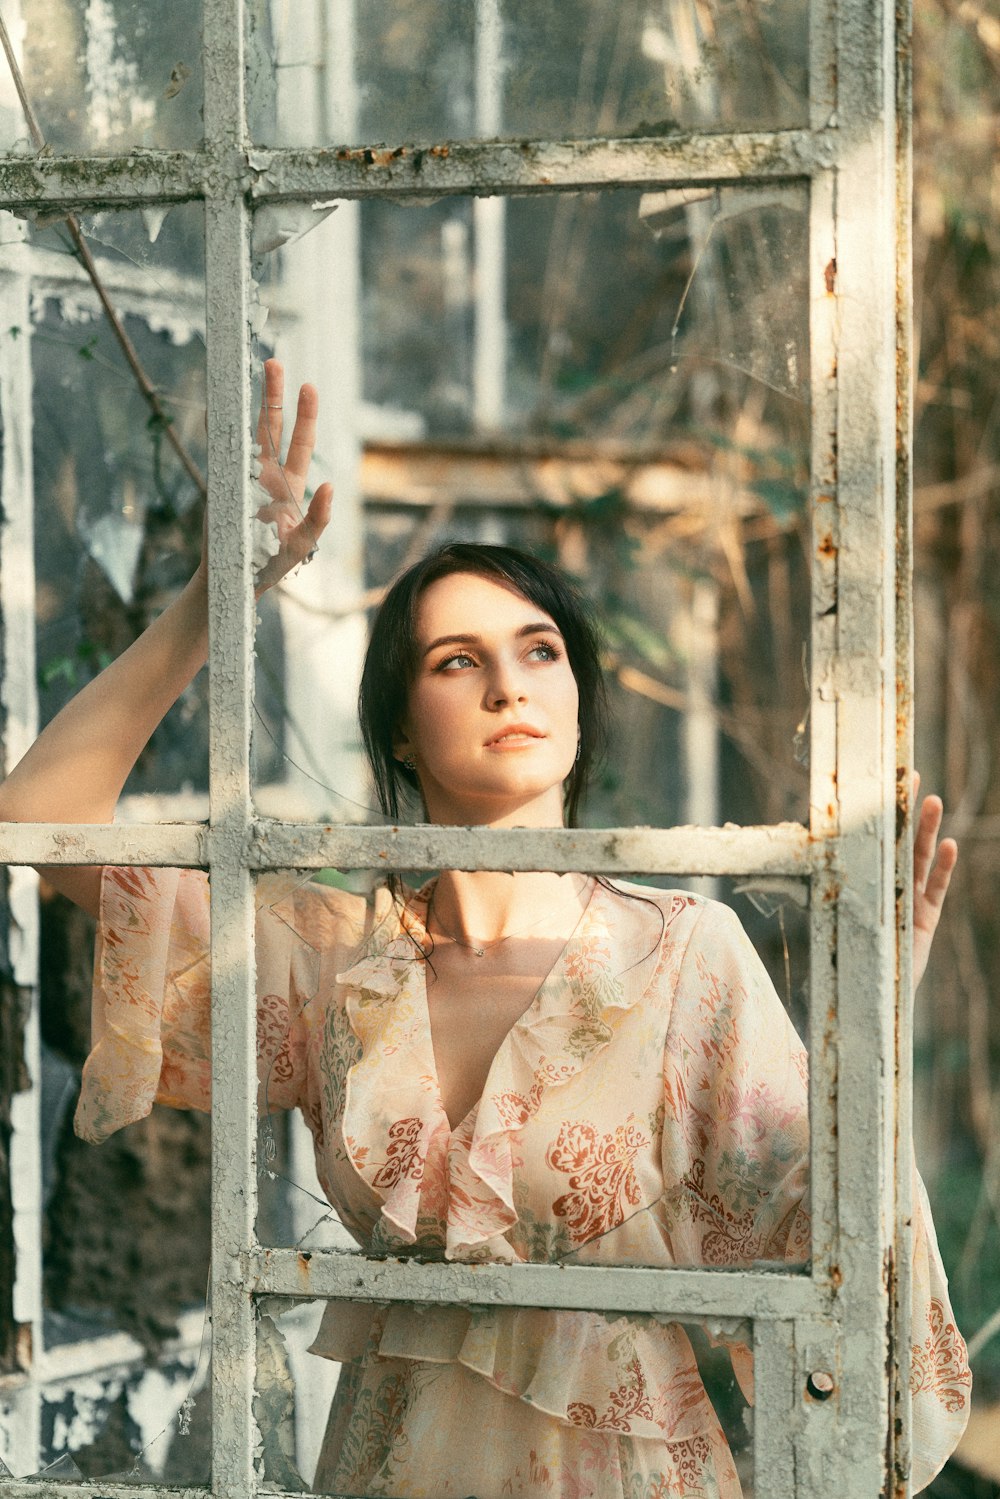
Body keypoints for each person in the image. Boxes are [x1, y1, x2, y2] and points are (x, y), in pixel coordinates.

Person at [0, 362, 971, 1497]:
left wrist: (873, 1033)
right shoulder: (334, 959)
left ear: (574, 695)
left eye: (538, 648)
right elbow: (39, 818)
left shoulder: (680, 954)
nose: (509, 683)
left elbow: (830, 1247)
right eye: (457, 661)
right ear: (403, 732)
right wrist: (218, 595)